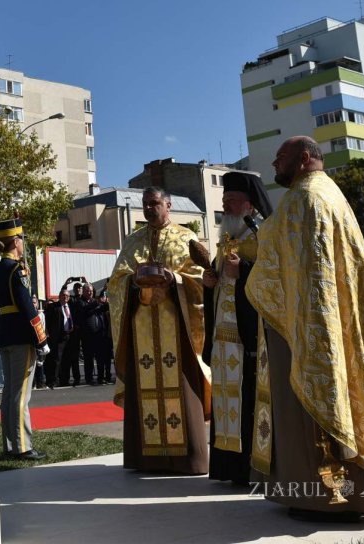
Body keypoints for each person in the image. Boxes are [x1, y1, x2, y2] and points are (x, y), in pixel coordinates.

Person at [247, 136, 364, 521]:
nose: (274, 166)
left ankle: (324, 496)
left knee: (314, 403)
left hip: (308, 326)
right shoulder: (331, 193)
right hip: (334, 321)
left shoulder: (303, 199)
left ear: (304, 158)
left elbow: (284, 263)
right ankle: (360, 494)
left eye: (280, 158)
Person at [107, 186, 210, 474]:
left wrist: (174, 279)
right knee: (145, 391)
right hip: (142, 330)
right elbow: (116, 282)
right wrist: (135, 281)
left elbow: (201, 279)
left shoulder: (186, 238)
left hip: (176, 330)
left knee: (181, 388)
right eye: (145, 204)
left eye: (154, 203)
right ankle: (147, 459)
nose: (149, 209)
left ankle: (188, 459)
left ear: (168, 205)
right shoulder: (132, 241)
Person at [201, 170, 271, 487]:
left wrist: (241, 269)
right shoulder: (227, 237)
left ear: (248, 203)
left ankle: (251, 469)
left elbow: (273, 277)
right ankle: (229, 469)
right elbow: (221, 282)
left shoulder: (263, 233)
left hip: (250, 335)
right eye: (224, 200)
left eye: (231, 200)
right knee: (226, 400)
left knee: (250, 401)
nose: (226, 207)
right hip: (224, 336)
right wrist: (210, 282)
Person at [0, 218, 48, 460]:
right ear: (15, 241)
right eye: (22, 239)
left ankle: (10, 446)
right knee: (21, 395)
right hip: (23, 337)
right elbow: (27, 307)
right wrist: (41, 339)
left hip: (5, 336)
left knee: (9, 394)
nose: (23, 244)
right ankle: (23, 447)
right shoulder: (17, 270)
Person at [79, 283, 110, 385]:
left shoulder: (94, 301)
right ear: (83, 291)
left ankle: (101, 377)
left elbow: (101, 309)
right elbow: (86, 309)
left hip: (99, 335)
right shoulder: (81, 302)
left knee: (101, 358)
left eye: (91, 291)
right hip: (88, 336)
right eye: (88, 291)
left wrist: (107, 304)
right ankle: (89, 378)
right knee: (89, 359)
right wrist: (97, 302)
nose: (90, 292)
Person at [43, 289, 74, 388]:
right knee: (56, 360)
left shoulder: (70, 306)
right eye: (63, 295)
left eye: (67, 296)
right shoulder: (53, 307)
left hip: (69, 336)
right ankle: (53, 381)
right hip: (57, 337)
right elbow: (47, 321)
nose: (65, 297)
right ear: (59, 296)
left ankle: (65, 379)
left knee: (67, 359)